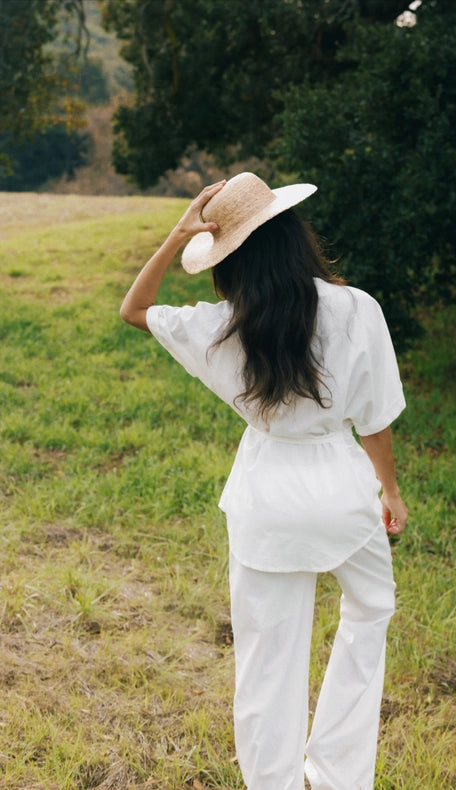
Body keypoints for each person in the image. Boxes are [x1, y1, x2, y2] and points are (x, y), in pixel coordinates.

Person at [120, 172, 408, 790]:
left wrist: (177, 235)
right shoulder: (356, 308)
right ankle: (336, 771)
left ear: (230, 260)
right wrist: (389, 490)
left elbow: (134, 310)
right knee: (372, 606)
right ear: (292, 233)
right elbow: (376, 419)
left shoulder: (222, 325)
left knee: (266, 657)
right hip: (342, 492)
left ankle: (273, 781)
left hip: (265, 499)